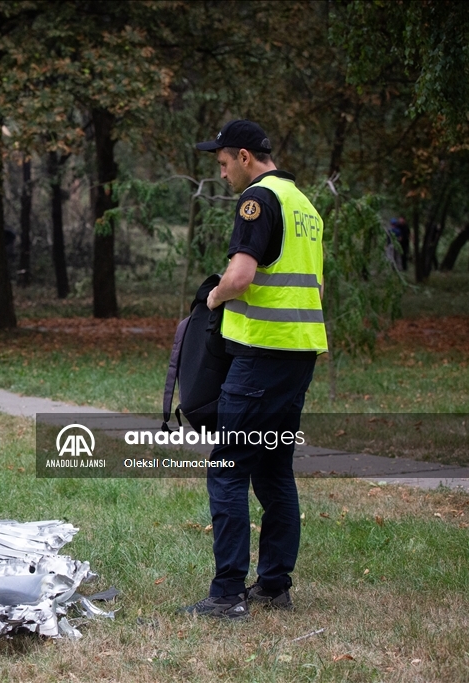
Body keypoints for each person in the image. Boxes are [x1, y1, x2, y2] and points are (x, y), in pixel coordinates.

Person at [184, 120, 328, 619]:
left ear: (244, 156)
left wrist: (214, 294)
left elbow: (242, 277)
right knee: (273, 469)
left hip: (261, 356)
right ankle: (272, 587)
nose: (222, 174)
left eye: (223, 164)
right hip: (298, 356)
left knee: (227, 470)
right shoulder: (305, 205)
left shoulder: (258, 202)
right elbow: (316, 289)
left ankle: (226, 594)